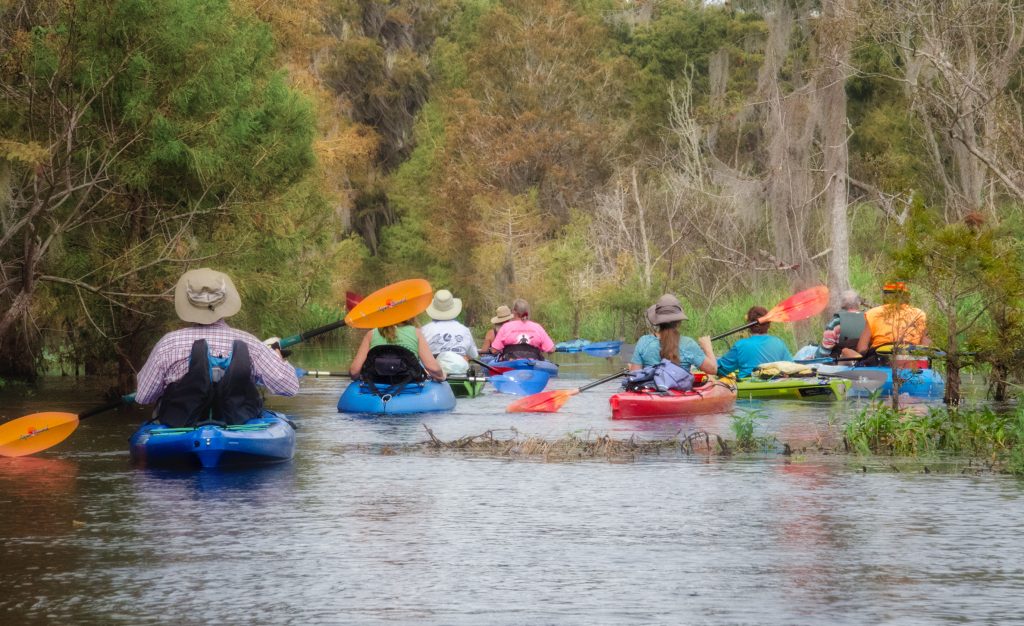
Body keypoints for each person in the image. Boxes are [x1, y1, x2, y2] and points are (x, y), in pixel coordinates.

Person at [135, 268, 299, 426]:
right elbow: (289, 387)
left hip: (180, 424)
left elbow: (143, 396)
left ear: (188, 305)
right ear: (224, 303)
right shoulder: (250, 343)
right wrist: (277, 357)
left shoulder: (168, 344)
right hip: (238, 423)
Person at [629, 294, 717, 374]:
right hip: (680, 390)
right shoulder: (688, 344)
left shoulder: (643, 341)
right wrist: (707, 347)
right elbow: (713, 370)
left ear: (657, 320)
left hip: (651, 391)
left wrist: (632, 368)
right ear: (679, 321)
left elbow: (635, 375)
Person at [349, 314, 445, 382]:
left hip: (376, 382)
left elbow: (354, 371)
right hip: (407, 382)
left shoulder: (371, 334)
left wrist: (360, 378)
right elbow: (432, 368)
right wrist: (442, 376)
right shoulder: (416, 333)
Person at [851, 281, 929, 363]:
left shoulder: (874, 313)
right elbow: (926, 346)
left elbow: (861, 348)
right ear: (907, 296)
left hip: (880, 360)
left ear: (885, 296)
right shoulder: (920, 314)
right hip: (911, 360)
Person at [716, 306, 794, 378]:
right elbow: (791, 367)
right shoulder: (779, 343)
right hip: (775, 387)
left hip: (749, 390)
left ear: (749, 326)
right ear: (769, 325)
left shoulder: (740, 345)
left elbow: (718, 369)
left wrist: (707, 350)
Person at [421, 289, 479, 360]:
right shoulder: (464, 330)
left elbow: (418, 355)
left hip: (433, 369)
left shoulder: (423, 330)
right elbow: (473, 355)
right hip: (459, 369)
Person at [490, 298, 555, 359]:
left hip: (510, 363)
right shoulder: (538, 327)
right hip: (532, 364)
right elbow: (551, 349)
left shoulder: (505, 327)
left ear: (514, 312)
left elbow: (494, 350)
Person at [816, 290, 865, 359]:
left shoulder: (836, 321)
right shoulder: (868, 318)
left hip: (843, 362)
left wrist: (815, 357)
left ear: (842, 304)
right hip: (866, 358)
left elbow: (824, 352)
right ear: (858, 303)